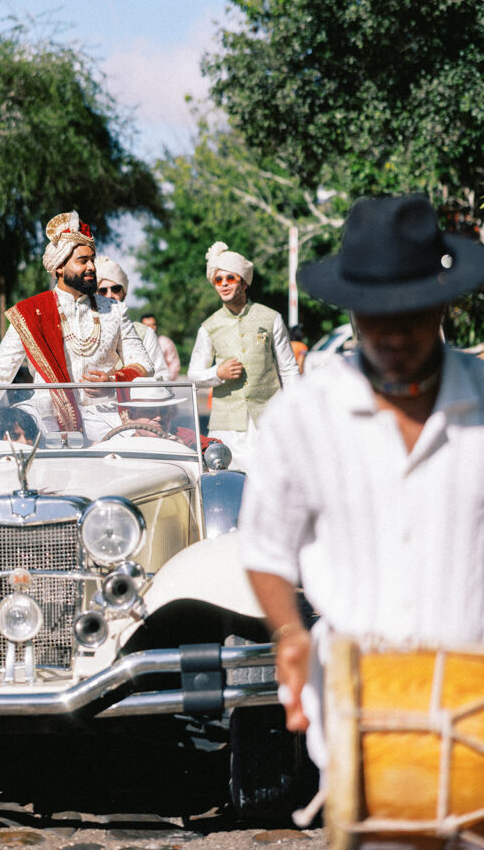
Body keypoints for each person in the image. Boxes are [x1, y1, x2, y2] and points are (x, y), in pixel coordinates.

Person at [238, 193, 484, 771]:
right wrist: (290, 635)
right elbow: (265, 548)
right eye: (376, 313)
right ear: (350, 308)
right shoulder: (303, 415)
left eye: (413, 312)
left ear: (444, 305)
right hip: (355, 714)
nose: (393, 332)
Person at [0, 211, 152, 445]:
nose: (91, 267)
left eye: (92, 259)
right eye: (82, 261)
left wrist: (113, 380)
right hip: (46, 420)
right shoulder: (30, 313)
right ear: (59, 267)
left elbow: (144, 364)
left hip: (105, 418)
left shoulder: (115, 311)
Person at [187, 240, 299, 471]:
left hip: (269, 420)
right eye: (219, 280)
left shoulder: (271, 318)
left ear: (245, 282)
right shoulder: (209, 327)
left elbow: (288, 369)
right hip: (227, 426)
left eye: (231, 278)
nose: (224, 285)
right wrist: (218, 373)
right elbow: (193, 375)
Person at [94, 255, 169, 379]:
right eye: (102, 291)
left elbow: (162, 376)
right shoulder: (87, 330)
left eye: (116, 289)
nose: (109, 295)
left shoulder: (145, 333)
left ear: (124, 293)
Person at [114, 379, 216, 451]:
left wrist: (185, 450)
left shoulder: (183, 435)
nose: (158, 417)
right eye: (149, 411)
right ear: (132, 416)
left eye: (164, 411)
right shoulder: (118, 443)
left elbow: (217, 450)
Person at [140, 313, 181, 380]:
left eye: (153, 325)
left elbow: (174, 364)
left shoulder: (166, 342)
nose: (151, 328)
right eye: (147, 325)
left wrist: (167, 381)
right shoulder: (137, 344)